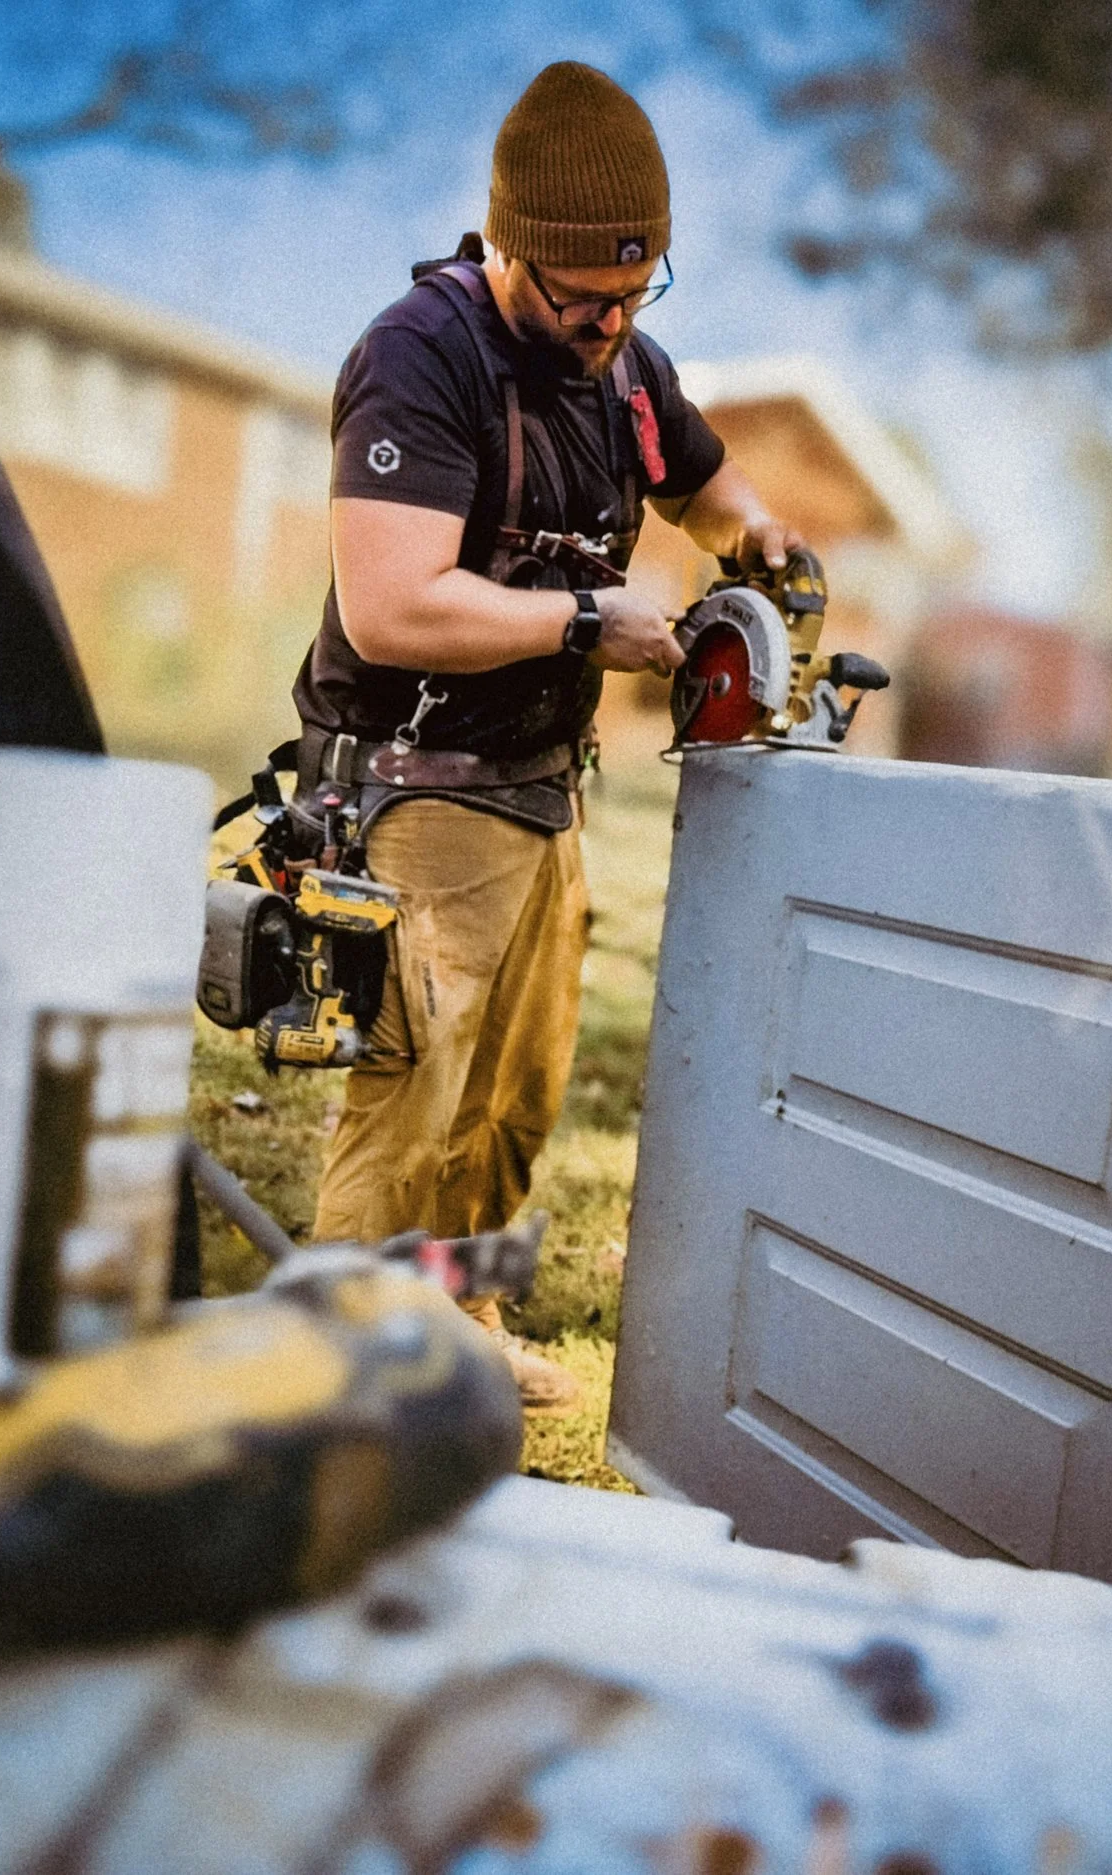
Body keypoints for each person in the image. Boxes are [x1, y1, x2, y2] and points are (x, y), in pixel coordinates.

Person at [293, 61, 804, 1410]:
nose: (609, 323)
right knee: (415, 1098)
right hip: (415, 786)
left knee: (512, 1103)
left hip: (540, 787)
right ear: (508, 247)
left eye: (637, 295)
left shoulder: (626, 363)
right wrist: (588, 621)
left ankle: (454, 1332)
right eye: (584, 297)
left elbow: (707, 484)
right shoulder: (420, 355)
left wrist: (759, 538)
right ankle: (336, 1380)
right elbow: (392, 604)